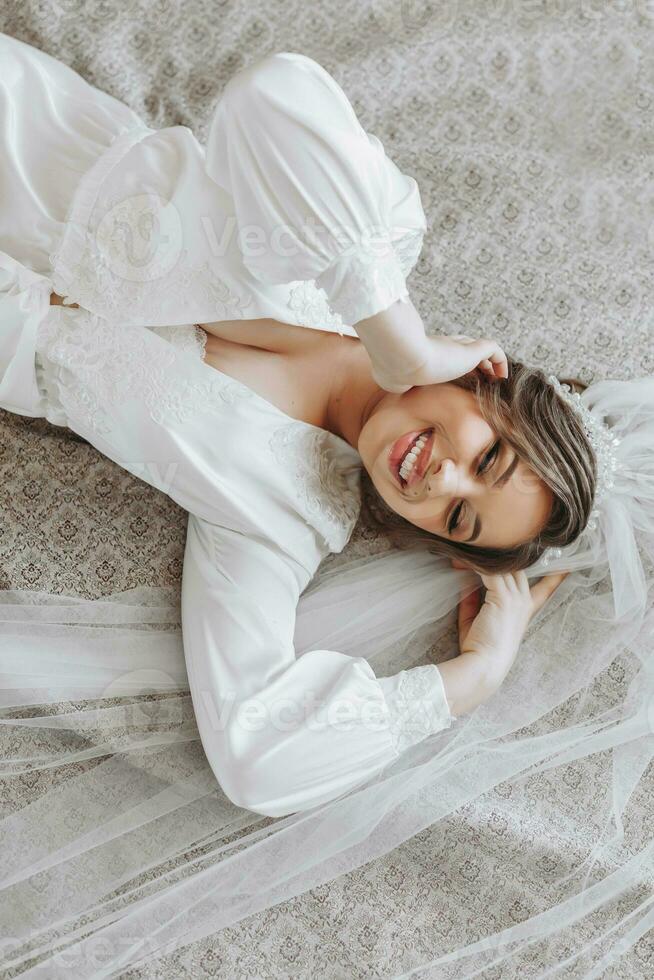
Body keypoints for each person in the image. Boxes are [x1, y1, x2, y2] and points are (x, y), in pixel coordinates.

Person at [0, 32, 652, 978]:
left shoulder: (283, 514)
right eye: (489, 457)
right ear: (489, 381)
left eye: (461, 518)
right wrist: (395, 343)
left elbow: (258, 760)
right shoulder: (372, 246)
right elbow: (271, 96)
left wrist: (469, 681)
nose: (443, 483)